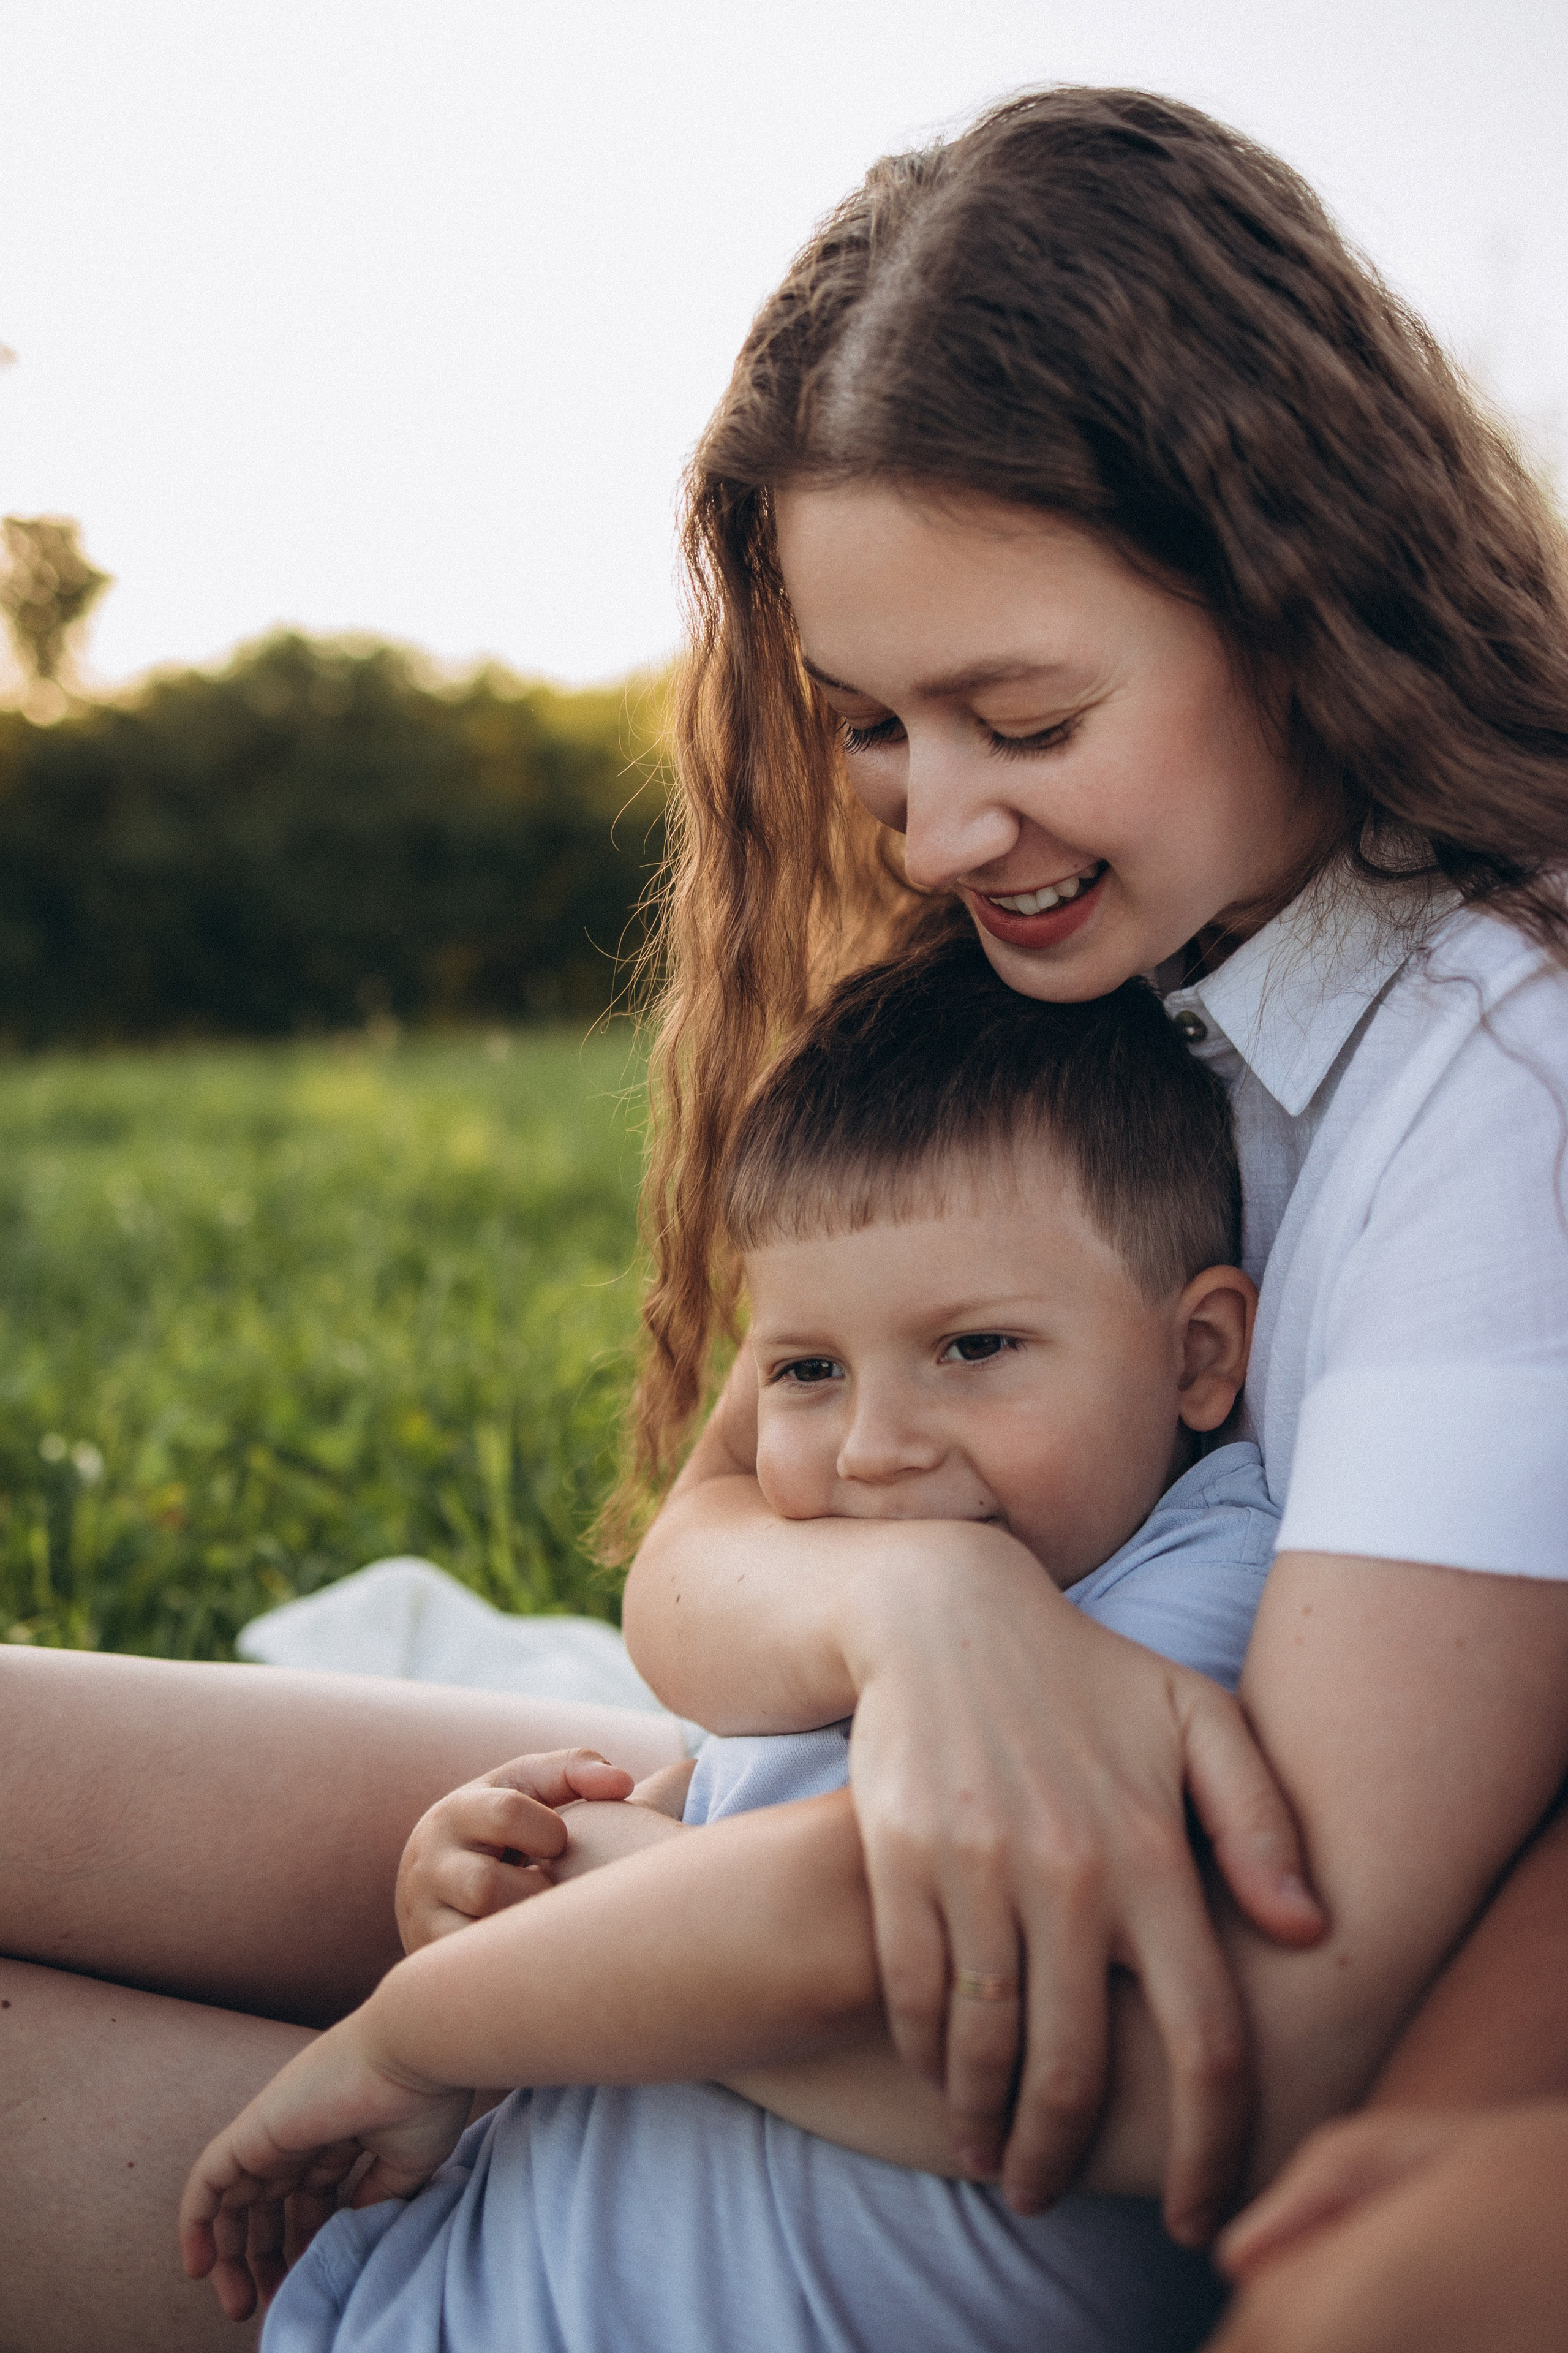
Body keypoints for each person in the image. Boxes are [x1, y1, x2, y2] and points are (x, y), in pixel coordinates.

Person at [4, 83, 1568, 2353]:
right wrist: (925, 1614)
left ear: (1294, 589)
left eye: (1018, 713)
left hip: (847, 2092)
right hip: (751, 1876)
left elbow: (1240, 2034)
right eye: (868, 725)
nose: (935, 825)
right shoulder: (1131, 976)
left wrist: (571, 1943)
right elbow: (699, 1554)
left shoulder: (1490, 1082)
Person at [186, 936, 1276, 2352]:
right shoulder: (870, 1555)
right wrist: (499, 1853)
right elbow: (734, 1804)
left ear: (1196, 1355)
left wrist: (429, 2016)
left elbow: (849, 1933)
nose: (874, 1451)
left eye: (974, 1347)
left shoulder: (1200, 1578)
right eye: (809, 1370)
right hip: (476, 2281)